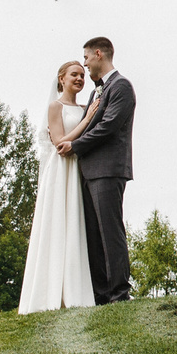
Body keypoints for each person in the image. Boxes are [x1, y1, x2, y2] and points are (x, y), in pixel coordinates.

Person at [17, 59, 100, 313]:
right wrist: (86, 120)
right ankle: (49, 293)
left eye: (82, 76)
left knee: (76, 223)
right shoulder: (56, 106)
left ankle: (76, 290)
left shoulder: (88, 107)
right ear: (61, 79)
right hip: (61, 170)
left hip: (78, 169)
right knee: (57, 222)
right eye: (74, 75)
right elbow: (60, 142)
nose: (79, 79)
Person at [59, 36, 136, 304]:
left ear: (99, 54)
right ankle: (101, 295)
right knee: (93, 235)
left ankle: (119, 293)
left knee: (110, 232)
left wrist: (75, 146)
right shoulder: (96, 92)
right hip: (88, 171)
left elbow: (108, 127)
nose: (86, 64)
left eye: (87, 58)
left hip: (108, 170)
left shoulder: (122, 86)